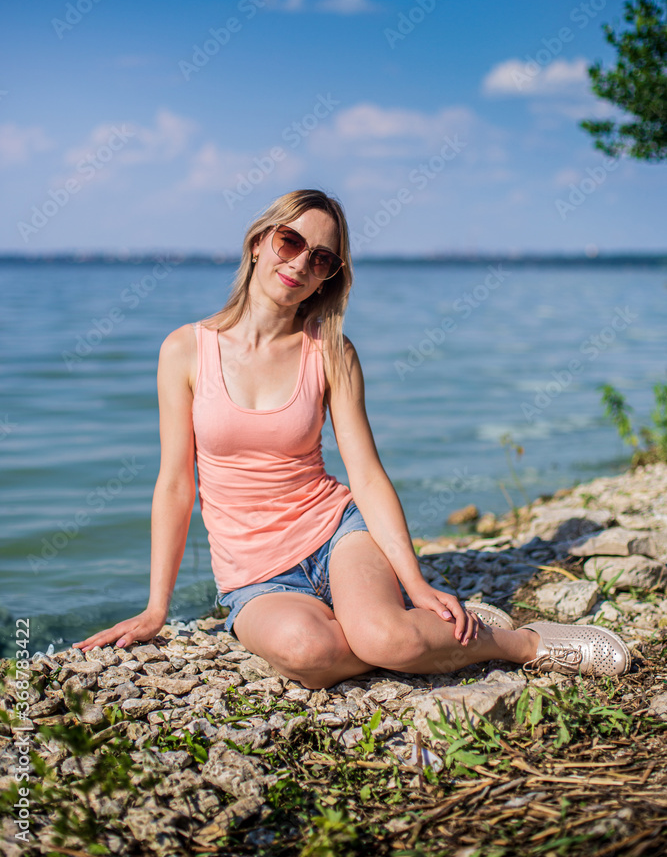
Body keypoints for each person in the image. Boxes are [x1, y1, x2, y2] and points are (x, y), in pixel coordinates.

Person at [74, 189, 631, 688]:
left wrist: (415, 584)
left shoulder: (331, 352)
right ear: (257, 243)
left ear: (329, 275)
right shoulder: (185, 351)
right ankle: (417, 630)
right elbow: (175, 483)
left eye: (320, 258)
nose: (299, 263)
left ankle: (521, 643)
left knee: (385, 640)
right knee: (309, 653)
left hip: (336, 532)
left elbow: (364, 472)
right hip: (254, 573)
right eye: (289, 241)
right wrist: (155, 609)